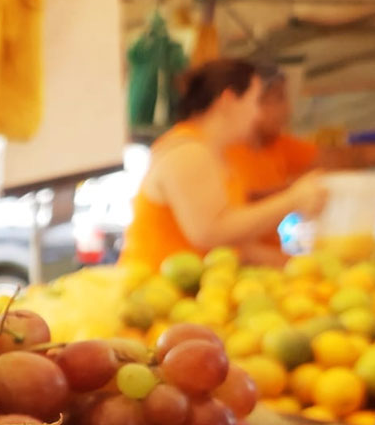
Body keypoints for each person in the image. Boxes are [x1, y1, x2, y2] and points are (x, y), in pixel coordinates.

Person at [120, 59, 327, 269]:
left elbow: (236, 244)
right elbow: (209, 232)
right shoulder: (188, 151)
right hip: (154, 291)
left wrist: (299, 267)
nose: (257, 115)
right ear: (228, 100)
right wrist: (293, 200)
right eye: (254, 101)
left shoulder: (214, 153)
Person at [224, 67, 319, 263]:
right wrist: (293, 196)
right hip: (236, 272)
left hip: (259, 275)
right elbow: (220, 235)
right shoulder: (216, 151)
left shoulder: (275, 144)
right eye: (278, 99)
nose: (288, 110)